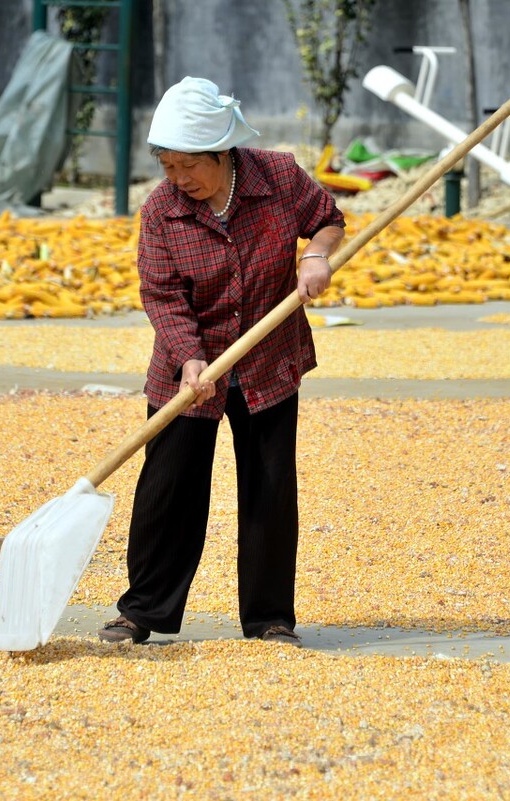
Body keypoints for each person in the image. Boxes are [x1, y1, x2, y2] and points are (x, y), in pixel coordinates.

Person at [98, 76, 345, 648]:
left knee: (269, 485)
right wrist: (189, 360)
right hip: (190, 366)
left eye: (189, 166)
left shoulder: (278, 178)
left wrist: (315, 256)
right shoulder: (162, 212)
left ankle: (270, 618)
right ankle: (142, 612)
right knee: (168, 485)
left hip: (268, 362)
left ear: (223, 153)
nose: (179, 180)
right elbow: (162, 295)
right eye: (168, 167)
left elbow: (328, 217)